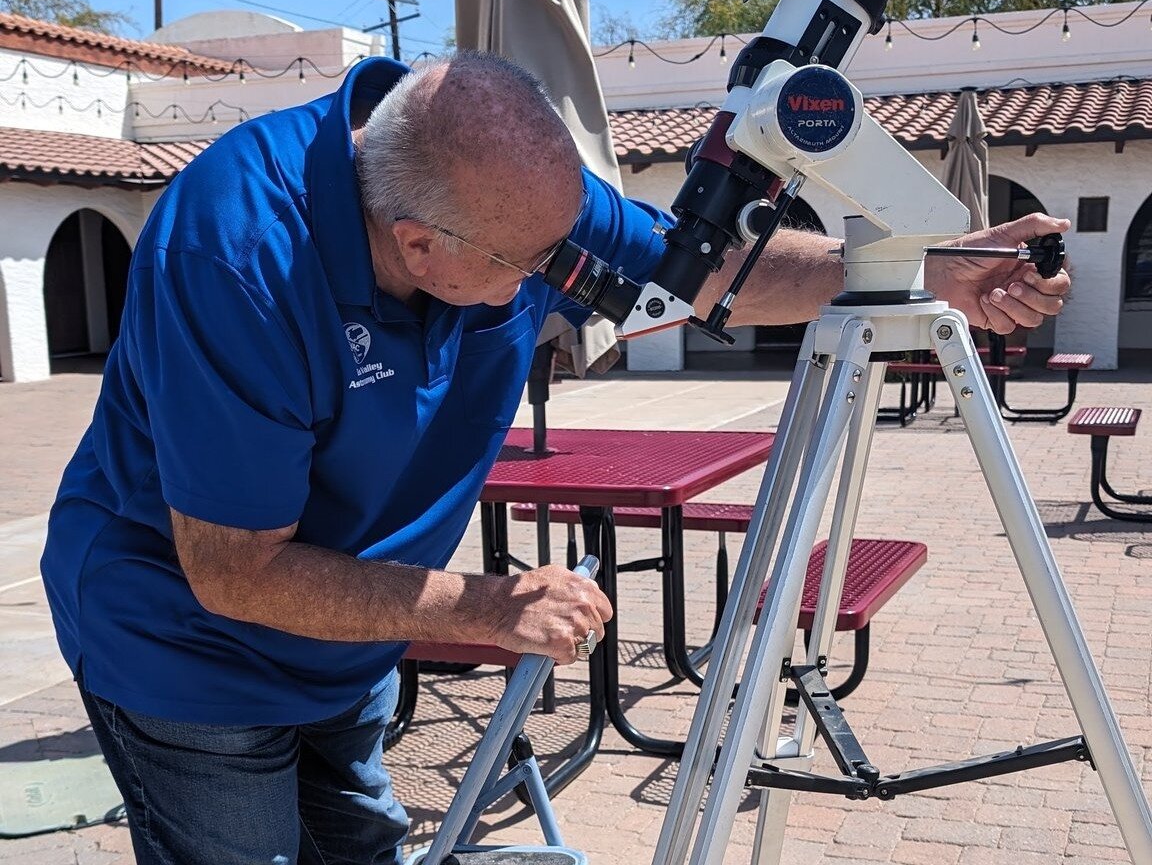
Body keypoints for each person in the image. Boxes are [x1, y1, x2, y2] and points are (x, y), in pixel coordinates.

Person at [40, 50, 1071, 865]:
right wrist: (488, 607)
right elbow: (235, 572)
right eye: (527, 268)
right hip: (185, 646)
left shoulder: (513, 203)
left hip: (348, 634)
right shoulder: (236, 257)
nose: (560, 283)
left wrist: (939, 272)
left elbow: (703, 281)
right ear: (417, 247)